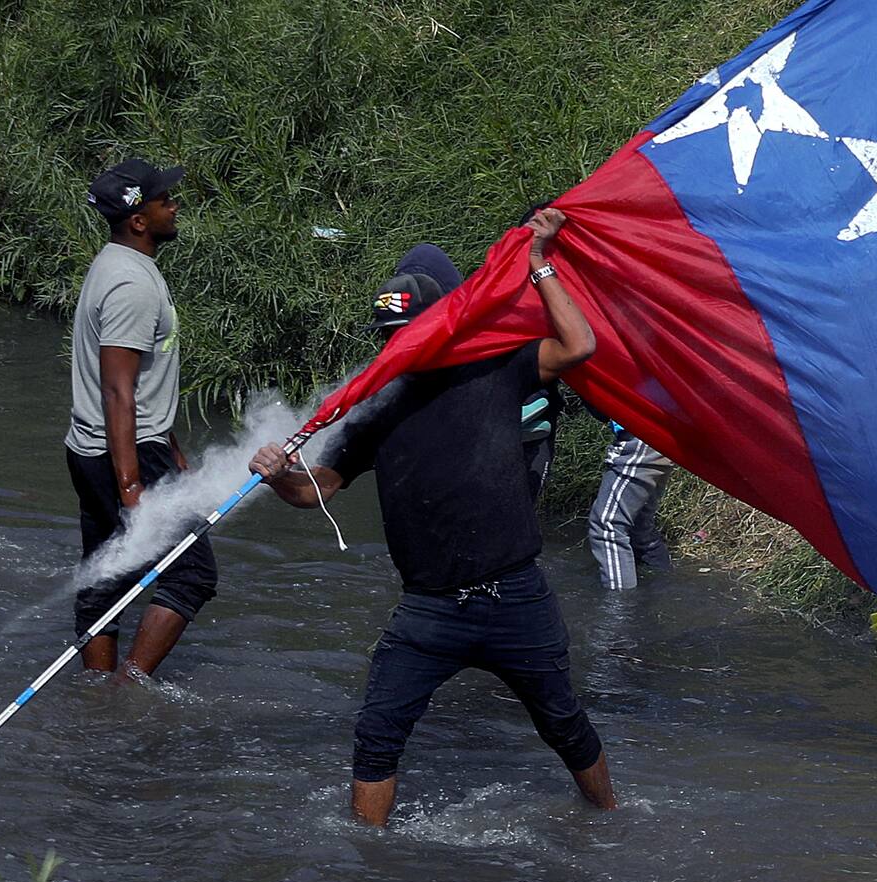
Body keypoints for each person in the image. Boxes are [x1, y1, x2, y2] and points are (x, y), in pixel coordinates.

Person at [250, 209, 617, 825]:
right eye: (391, 336)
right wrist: (277, 472)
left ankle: (612, 819)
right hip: (428, 608)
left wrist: (539, 264)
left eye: (411, 331)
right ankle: (369, 863)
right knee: (376, 736)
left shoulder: (498, 368)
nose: (402, 346)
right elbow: (318, 491)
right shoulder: (376, 405)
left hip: (514, 596)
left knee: (564, 724)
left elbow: (581, 345)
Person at [65, 158, 217, 677]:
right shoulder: (132, 285)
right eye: (164, 200)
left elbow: (141, 383)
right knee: (191, 574)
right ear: (138, 219)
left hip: (96, 448)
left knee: (105, 578)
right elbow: (118, 390)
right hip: (125, 453)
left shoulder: (116, 265)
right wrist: (132, 487)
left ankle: (97, 694)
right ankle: (131, 689)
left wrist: (176, 451)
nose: (175, 206)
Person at [587, 422, 674, 590]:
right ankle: (665, 591)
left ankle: (620, 609)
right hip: (659, 435)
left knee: (607, 527)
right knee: (640, 527)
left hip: (642, 434)